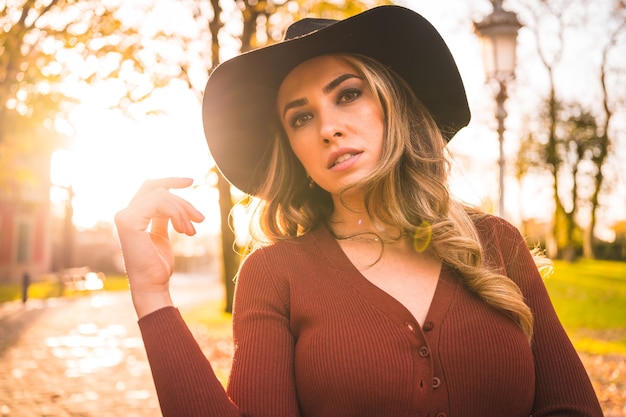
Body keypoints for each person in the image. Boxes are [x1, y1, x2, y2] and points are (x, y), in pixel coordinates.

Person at [115, 5, 604, 417]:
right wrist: (153, 295)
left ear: (393, 106)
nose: (328, 127)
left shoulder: (496, 243)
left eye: (348, 95)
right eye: (302, 117)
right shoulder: (274, 274)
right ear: (296, 152)